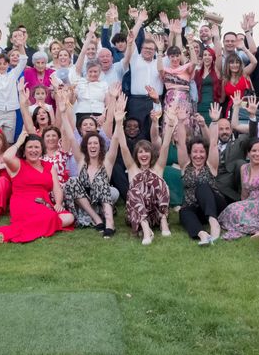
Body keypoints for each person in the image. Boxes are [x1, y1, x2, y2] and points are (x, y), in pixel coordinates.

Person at [0, 133, 74, 243]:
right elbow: (6, 157)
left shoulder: (49, 166)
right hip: (22, 202)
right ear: (24, 151)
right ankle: (12, 233)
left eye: (36, 147)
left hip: (44, 203)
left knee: (69, 217)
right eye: (30, 147)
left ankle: (35, 230)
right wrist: (19, 142)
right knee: (49, 216)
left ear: (41, 150)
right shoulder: (18, 164)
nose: (33, 150)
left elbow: (57, 188)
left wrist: (58, 203)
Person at [60, 89, 120, 237]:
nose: (93, 146)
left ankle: (110, 222)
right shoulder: (81, 159)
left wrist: (118, 121)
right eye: (90, 144)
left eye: (96, 144)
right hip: (84, 198)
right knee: (72, 181)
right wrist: (62, 113)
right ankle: (96, 218)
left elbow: (116, 140)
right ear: (86, 147)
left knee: (106, 185)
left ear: (100, 146)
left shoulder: (107, 159)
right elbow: (71, 137)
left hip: (104, 196)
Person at [115, 98, 174, 245]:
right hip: (136, 215)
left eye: (146, 151)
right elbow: (123, 146)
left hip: (155, 213)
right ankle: (146, 230)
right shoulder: (132, 168)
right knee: (134, 191)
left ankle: (163, 221)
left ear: (151, 154)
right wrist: (118, 122)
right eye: (140, 152)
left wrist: (171, 124)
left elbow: (165, 146)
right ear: (136, 155)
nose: (143, 154)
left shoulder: (158, 167)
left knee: (161, 183)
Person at [176, 103, 225, 245]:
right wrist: (180, 122)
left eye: (201, 151)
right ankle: (202, 234)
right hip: (195, 209)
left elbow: (214, 143)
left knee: (202, 187)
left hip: (215, 205)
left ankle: (214, 223)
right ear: (190, 154)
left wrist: (214, 122)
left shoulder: (210, 165)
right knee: (183, 212)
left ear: (206, 153)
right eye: (195, 152)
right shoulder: (186, 166)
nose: (198, 155)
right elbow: (181, 144)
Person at [218, 137, 259, 240]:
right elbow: (244, 192)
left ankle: (256, 230)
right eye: (254, 151)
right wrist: (242, 206)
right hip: (252, 201)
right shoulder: (244, 168)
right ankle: (253, 228)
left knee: (234, 210)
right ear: (248, 153)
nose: (257, 154)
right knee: (231, 209)